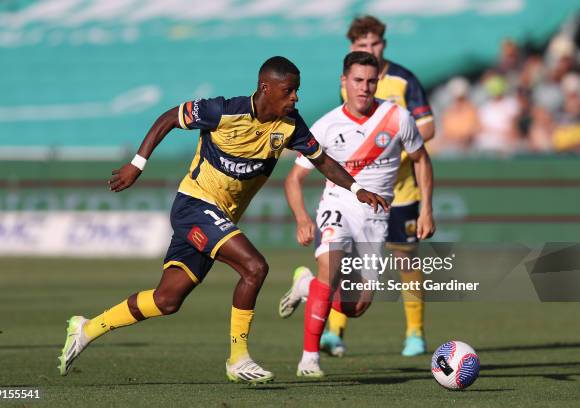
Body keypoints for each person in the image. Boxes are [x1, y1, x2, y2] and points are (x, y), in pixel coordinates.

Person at [57, 56, 388, 384]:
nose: (295, 98)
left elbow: (323, 161)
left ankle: (86, 328)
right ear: (265, 88)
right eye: (289, 91)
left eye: (296, 91)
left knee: (167, 300)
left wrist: (357, 189)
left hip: (219, 217)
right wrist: (137, 163)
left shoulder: (291, 126)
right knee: (255, 267)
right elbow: (169, 118)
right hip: (194, 206)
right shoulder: (223, 111)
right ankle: (238, 358)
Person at [281, 15, 435, 358]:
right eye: (362, 46)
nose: (370, 50)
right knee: (335, 266)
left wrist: (391, 146)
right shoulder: (349, 88)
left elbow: (427, 130)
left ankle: (414, 332)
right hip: (347, 197)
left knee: (404, 263)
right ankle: (327, 338)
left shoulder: (404, 82)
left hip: (400, 190)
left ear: (384, 45)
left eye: (375, 44)